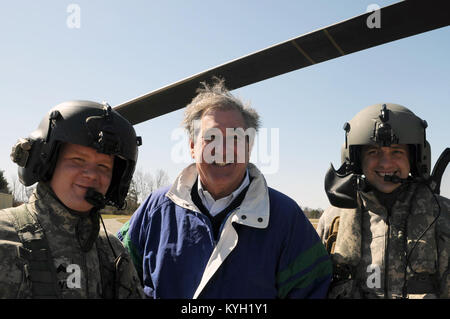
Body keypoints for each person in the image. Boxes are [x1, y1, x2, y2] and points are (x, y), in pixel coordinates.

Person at [118, 79, 332, 299]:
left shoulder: (287, 218)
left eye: (235, 139)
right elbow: (115, 272)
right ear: (192, 147)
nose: (222, 150)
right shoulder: (156, 208)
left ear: (249, 147)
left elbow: (313, 290)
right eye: (210, 138)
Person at [0, 100, 144, 298]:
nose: (91, 174)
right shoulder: (4, 237)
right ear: (48, 163)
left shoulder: (112, 253)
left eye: (103, 166)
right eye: (78, 160)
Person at [317, 103, 450, 299]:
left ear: (414, 159)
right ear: (355, 160)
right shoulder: (334, 219)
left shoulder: (443, 214)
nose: (386, 163)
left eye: (397, 152)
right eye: (373, 152)